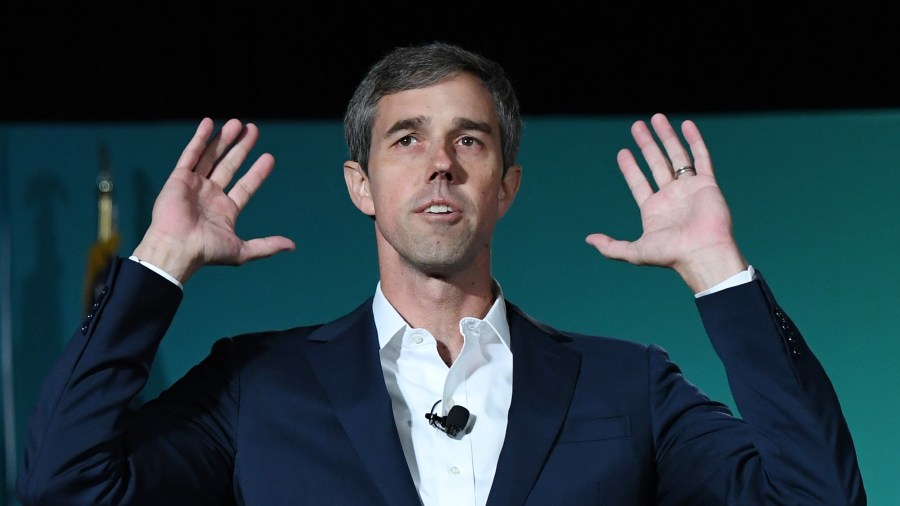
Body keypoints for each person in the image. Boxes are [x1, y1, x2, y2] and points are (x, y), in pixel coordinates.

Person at [17, 42, 865, 505]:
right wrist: (161, 262)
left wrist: (719, 270)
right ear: (362, 186)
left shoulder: (628, 386)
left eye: (470, 140)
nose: (440, 165)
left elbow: (820, 497)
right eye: (406, 138)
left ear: (505, 187)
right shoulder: (257, 385)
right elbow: (63, 483)